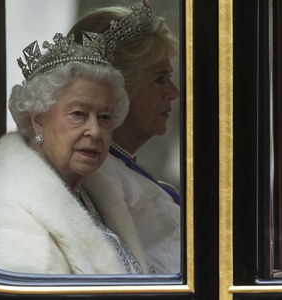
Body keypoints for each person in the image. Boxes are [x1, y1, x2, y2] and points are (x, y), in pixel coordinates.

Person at [0, 32, 149, 274]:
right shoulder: (4, 212)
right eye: (79, 114)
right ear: (39, 120)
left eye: (105, 117)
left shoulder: (91, 195)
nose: (95, 131)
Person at [68, 0, 181, 274]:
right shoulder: (96, 175)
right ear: (116, 89)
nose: (174, 92)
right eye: (159, 79)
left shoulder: (117, 166)